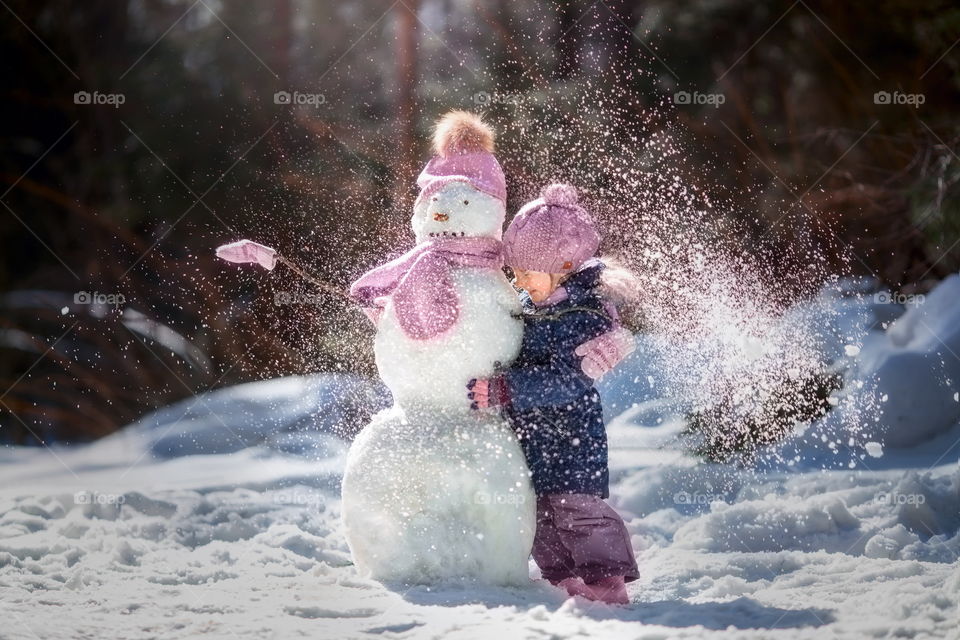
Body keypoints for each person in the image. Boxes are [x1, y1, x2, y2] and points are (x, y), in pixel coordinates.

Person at [466, 183, 640, 604]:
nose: (520, 281)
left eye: (529, 272)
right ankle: (559, 578)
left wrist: (507, 389)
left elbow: (568, 379)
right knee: (540, 516)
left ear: (563, 266)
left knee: (579, 511)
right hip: (531, 440)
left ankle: (606, 579)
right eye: (516, 272)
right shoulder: (531, 304)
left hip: (571, 439)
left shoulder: (583, 314)